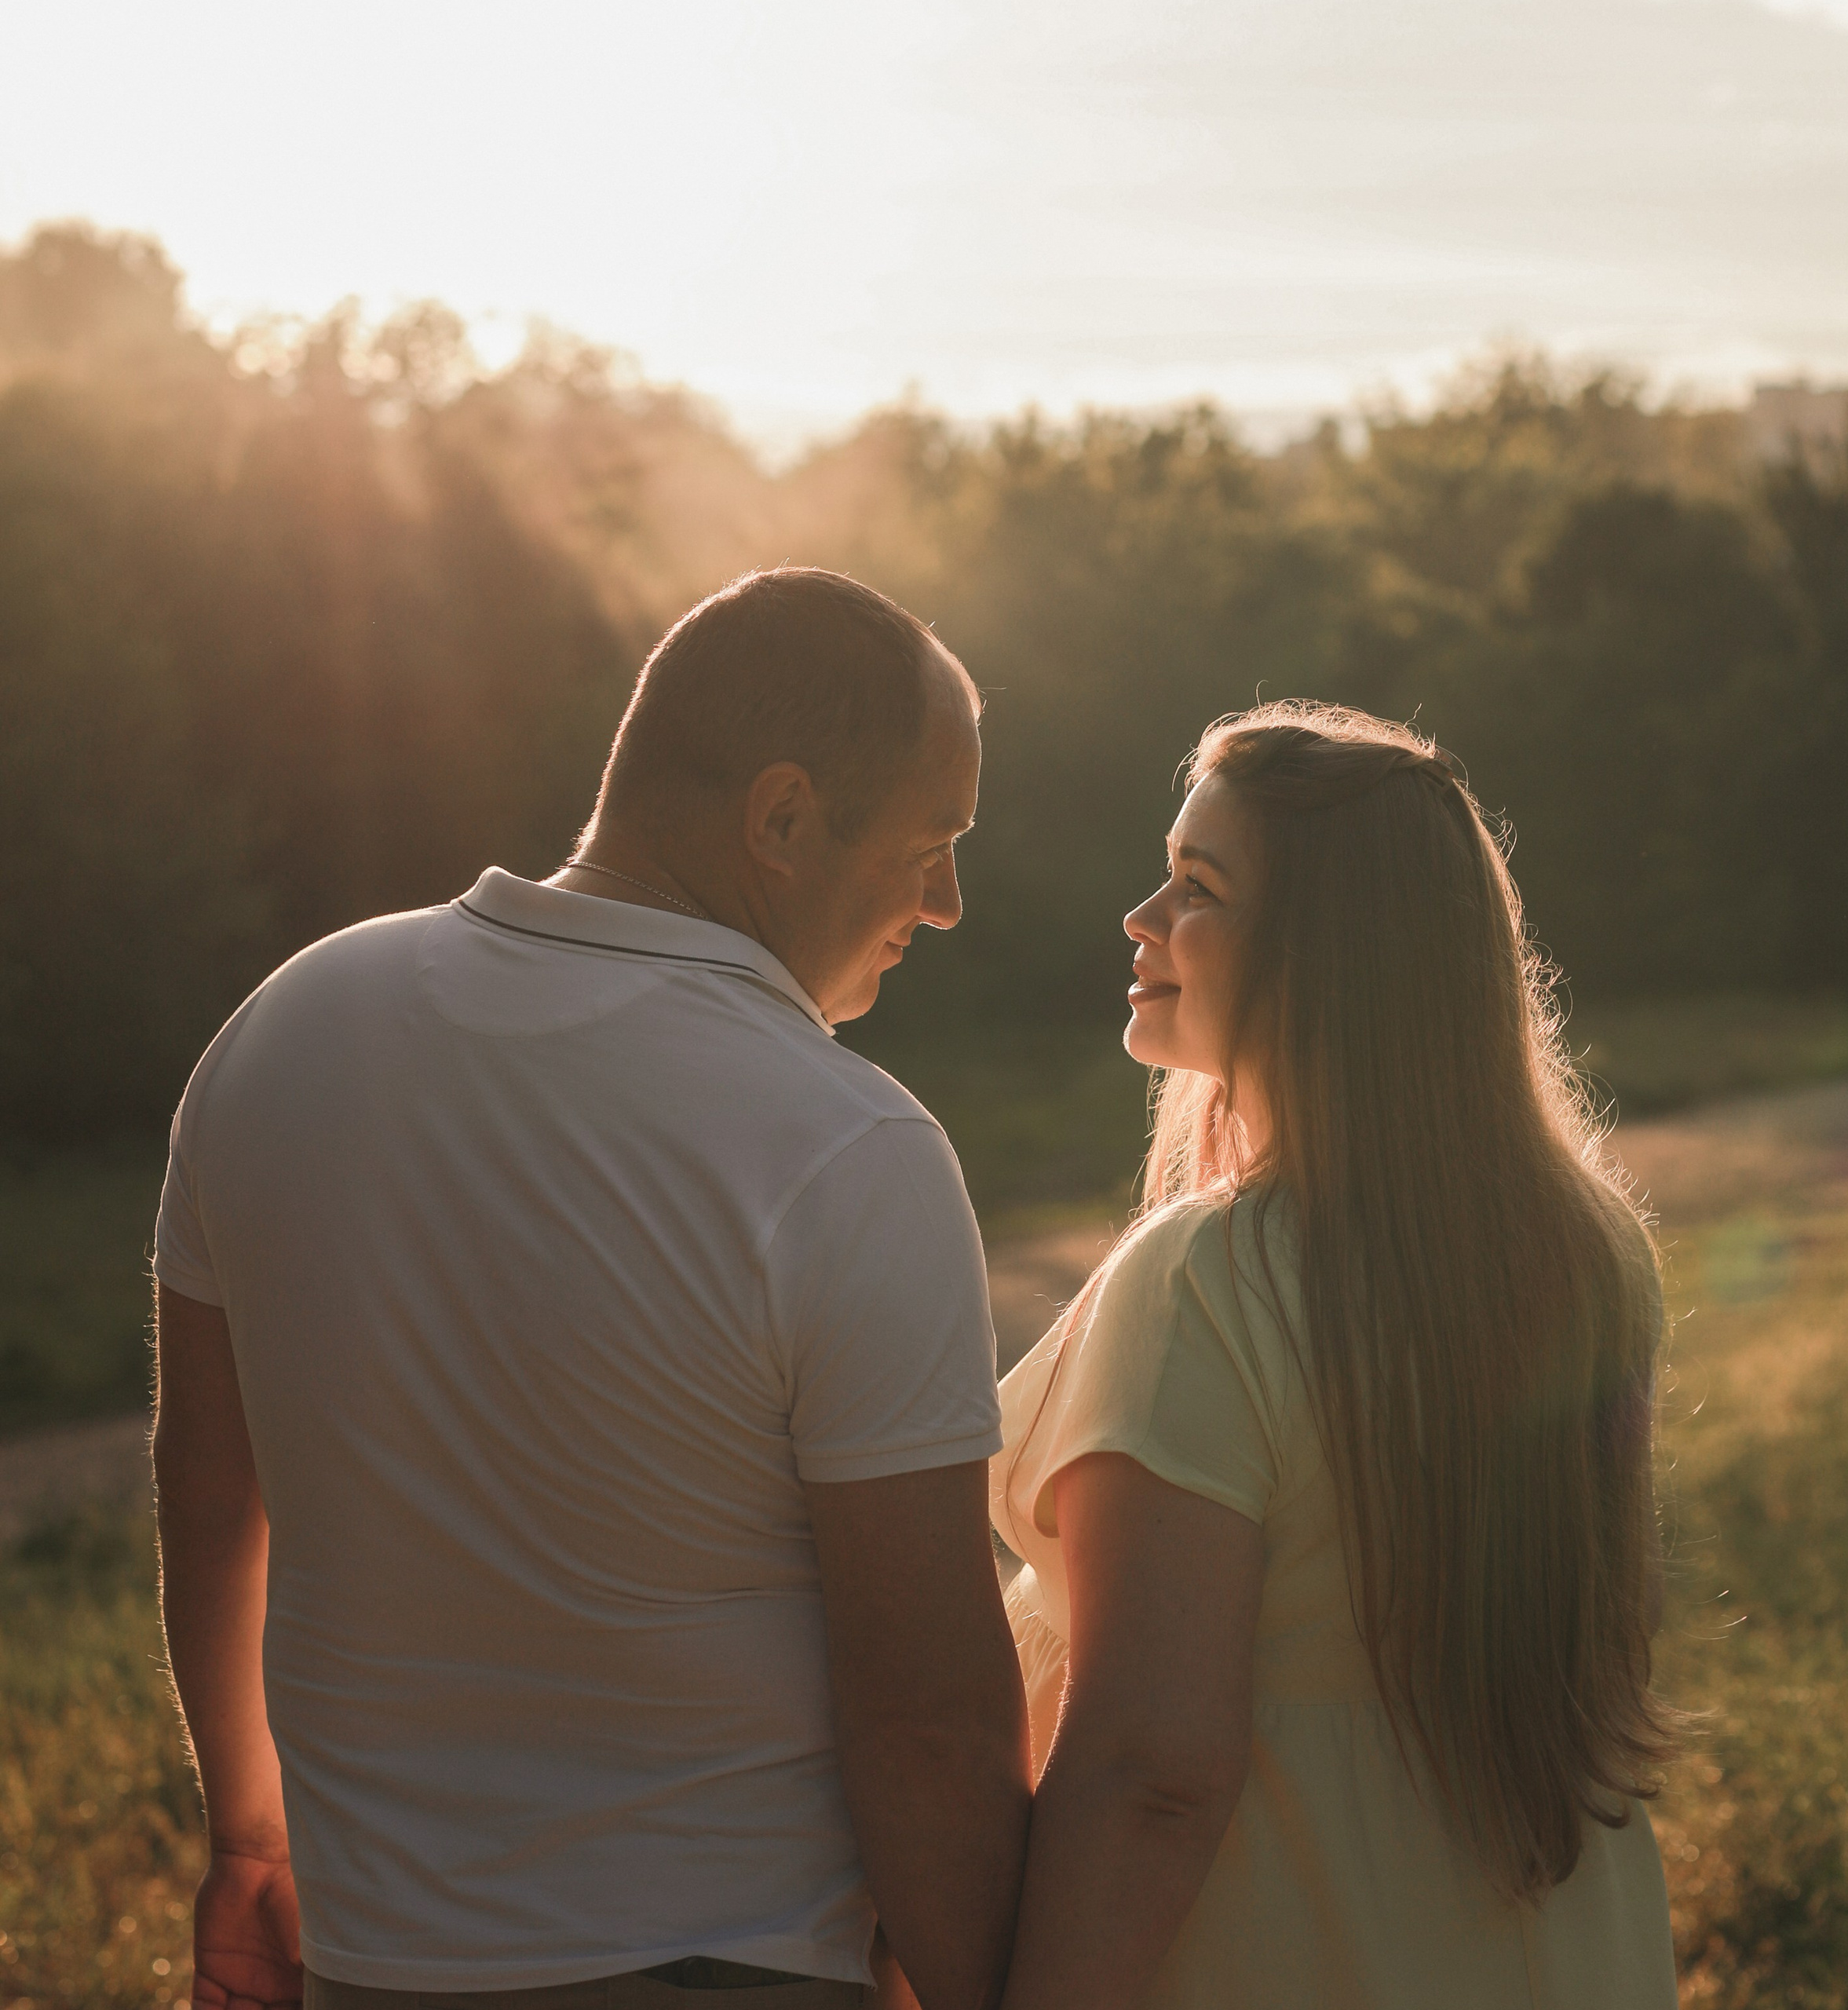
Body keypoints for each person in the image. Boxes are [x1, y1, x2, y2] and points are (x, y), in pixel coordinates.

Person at [152, 567, 1031, 2010]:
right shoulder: (845, 1144)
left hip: (376, 1967)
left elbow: (206, 1493)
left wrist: (251, 1839)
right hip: (732, 1967)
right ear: (785, 818)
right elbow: (927, 1716)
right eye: (933, 842)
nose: (944, 904)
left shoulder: (285, 1025)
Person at [990, 702, 1681, 2008]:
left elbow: (1152, 1772)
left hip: (1297, 1944)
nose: (1141, 916)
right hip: (1553, 1952)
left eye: (1197, 888)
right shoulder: (1587, 1257)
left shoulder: (1212, 1279)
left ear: (1330, 955)